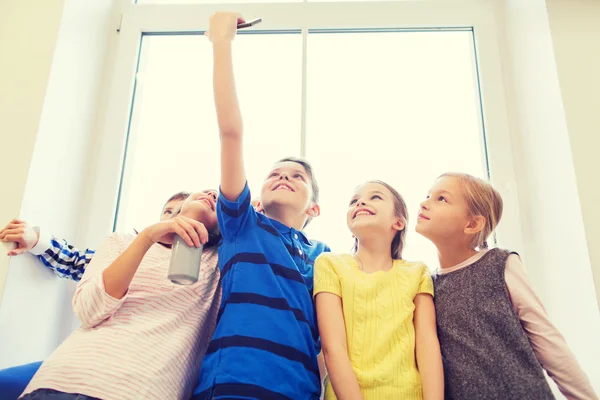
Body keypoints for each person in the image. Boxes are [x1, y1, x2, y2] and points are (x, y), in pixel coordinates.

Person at [193, 12, 330, 400]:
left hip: (299, 390)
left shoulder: (327, 259)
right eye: (274, 174)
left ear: (315, 209)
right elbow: (231, 132)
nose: (283, 177)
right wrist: (222, 43)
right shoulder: (243, 224)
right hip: (232, 382)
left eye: (297, 176)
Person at [18, 190, 222, 400]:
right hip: (60, 381)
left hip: (140, 391)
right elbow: (89, 309)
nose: (211, 193)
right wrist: (147, 237)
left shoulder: (220, 263)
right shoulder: (123, 242)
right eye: (167, 211)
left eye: (219, 198)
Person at [416, 172, 597, 399]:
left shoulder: (500, 264)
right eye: (428, 196)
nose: (424, 203)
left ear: (472, 224)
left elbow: (546, 339)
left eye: (441, 199)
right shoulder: (427, 287)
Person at [315, 180, 443, 400]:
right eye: (354, 201)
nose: (361, 202)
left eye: (375, 197)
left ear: (398, 222)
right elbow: (333, 348)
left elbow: (427, 344)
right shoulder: (330, 264)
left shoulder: (418, 272)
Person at [0, 191, 191, 280]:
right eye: (168, 212)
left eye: (182, 211)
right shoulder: (130, 250)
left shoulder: (202, 263)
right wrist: (37, 241)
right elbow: (75, 262)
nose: (173, 217)